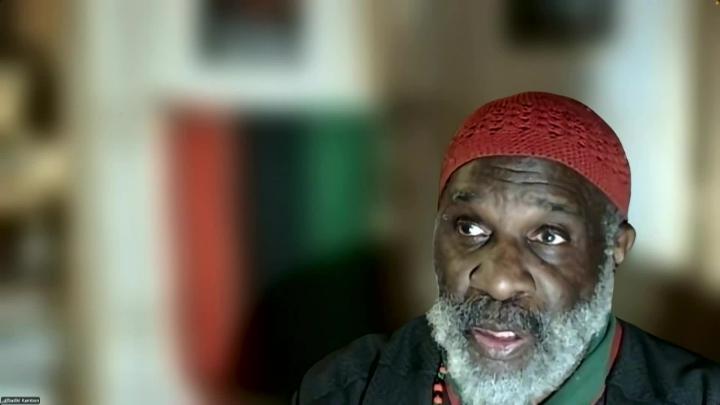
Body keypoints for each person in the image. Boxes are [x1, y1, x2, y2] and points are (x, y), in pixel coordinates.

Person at [292, 92, 720, 404]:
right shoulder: (345, 390)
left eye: (549, 236)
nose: (498, 282)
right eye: (470, 227)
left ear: (615, 248)